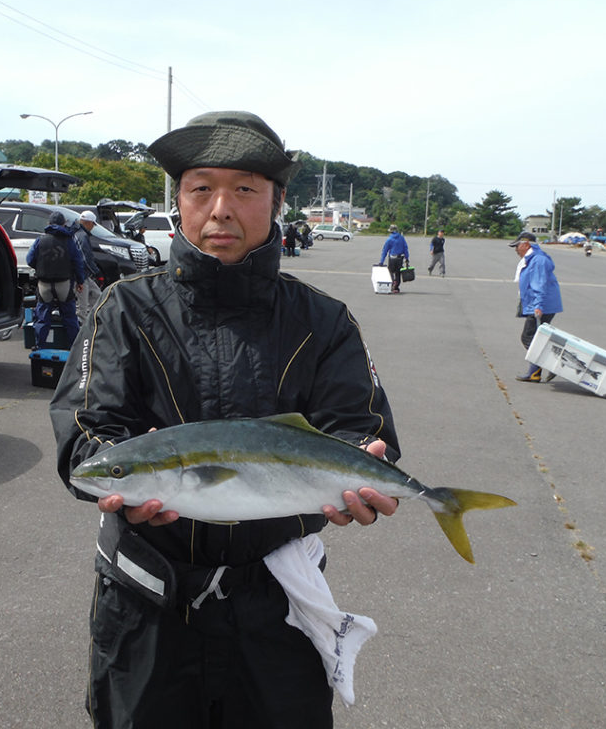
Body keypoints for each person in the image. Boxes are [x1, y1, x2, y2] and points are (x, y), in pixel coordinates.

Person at [49, 110, 401, 729]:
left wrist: (365, 466)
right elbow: (86, 433)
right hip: (146, 604)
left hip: (280, 607)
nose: (220, 209)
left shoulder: (324, 320)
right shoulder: (123, 309)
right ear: (178, 201)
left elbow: (360, 427)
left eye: (244, 189)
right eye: (201, 188)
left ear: (278, 201)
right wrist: (125, 476)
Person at [25, 213, 84, 349]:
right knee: (69, 317)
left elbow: (29, 260)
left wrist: (40, 266)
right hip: (64, 284)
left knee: (42, 316)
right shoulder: (69, 241)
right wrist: (80, 281)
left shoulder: (40, 240)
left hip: (44, 284)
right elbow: (78, 263)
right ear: (64, 224)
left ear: (49, 224)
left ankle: (40, 346)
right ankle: (74, 348)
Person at [510, 231, 563, 382]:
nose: (516, 250)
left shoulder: (538, 260)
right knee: (535, 338)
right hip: (539, 304)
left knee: (528, 337)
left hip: (541, 305)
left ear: (526, 245)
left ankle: (553, 363)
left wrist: (538, 305)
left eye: (517, 246)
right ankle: (534, 373)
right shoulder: (533, 258)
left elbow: (540, 284)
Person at [75, 210, 103, 322]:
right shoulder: (82, 236)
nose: (93, 227)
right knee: (82, 306)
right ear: (89, 223)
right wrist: (97, 272)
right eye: (93, 224)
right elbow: (85, 258)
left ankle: (93, 321)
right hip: (80, 276)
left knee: (98, 295)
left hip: (84, 275)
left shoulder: (79, 233)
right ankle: (83, 328)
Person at [378, 224, 409, 292]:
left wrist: (381, 261)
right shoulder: (401, 238)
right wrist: (407, 258)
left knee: (391, 272)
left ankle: (392, 284)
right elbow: (405, 248)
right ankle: (396, 287)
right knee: (398, 273)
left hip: (392, 258)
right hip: (400, 258)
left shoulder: (389, 239)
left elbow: (385, 251)